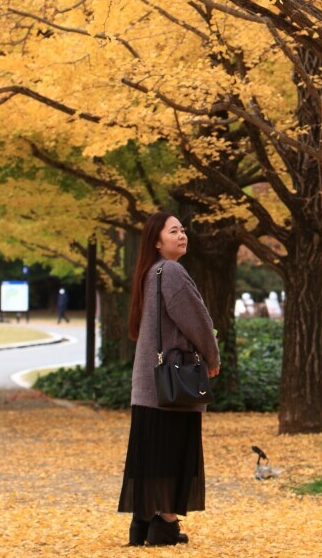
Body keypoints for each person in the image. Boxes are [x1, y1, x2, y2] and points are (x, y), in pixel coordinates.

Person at [118, 212, 220, 547]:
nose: (182, 235)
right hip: (174, 380)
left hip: (148, 382)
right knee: (174, 448)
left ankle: (143, 523)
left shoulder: (150, 273)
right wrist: (212, 357)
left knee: (152, 450)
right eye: (173, 231)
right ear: (157, 241)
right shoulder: (172, 271)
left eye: (183, 230)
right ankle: (166, 523)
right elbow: (198, 321)